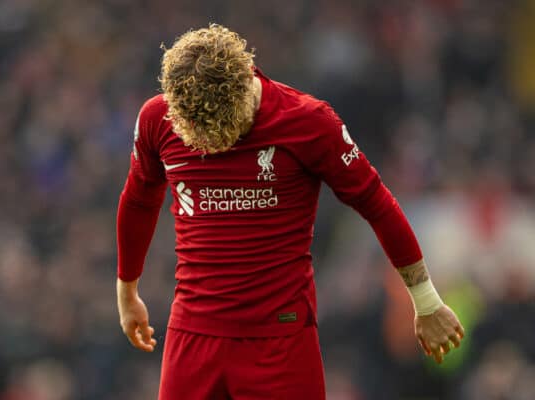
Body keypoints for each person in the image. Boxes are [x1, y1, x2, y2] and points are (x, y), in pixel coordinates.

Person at [116, 24, 464, 400]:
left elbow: (376, 203)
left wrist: (427, 303)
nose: (207, 142)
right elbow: (139, 199)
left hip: (280, 342)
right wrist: (127, 293)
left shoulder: (308, 122)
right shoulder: (158, 119)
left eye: (217, 130)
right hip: (193, 335)